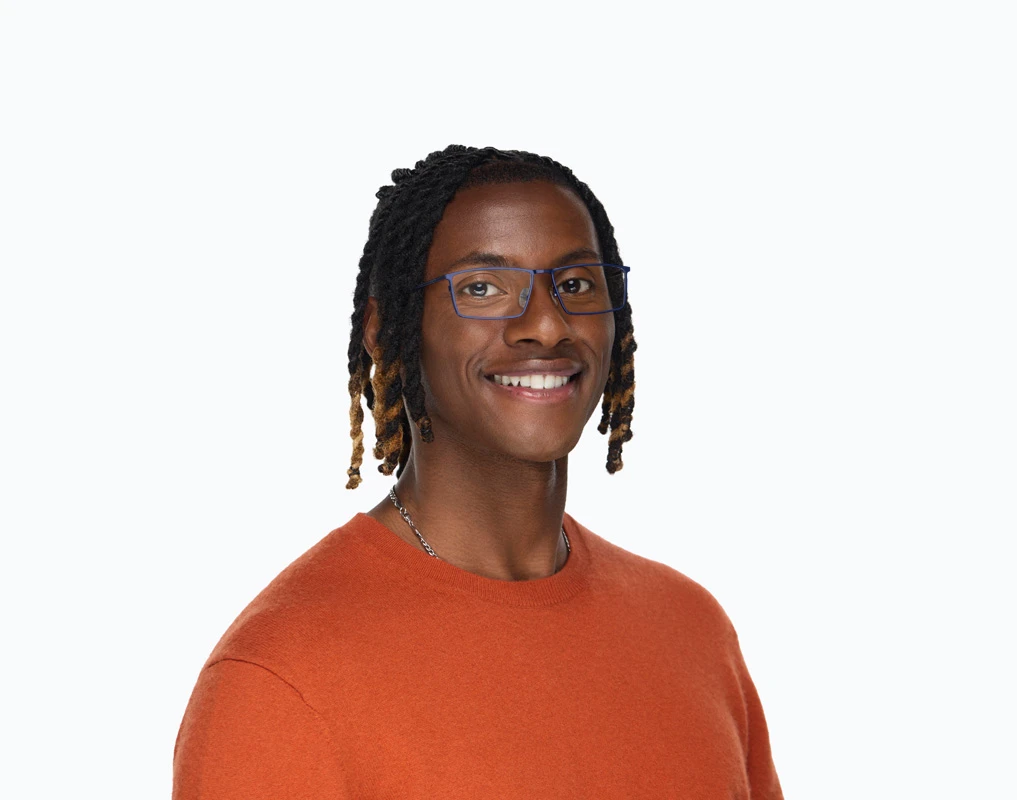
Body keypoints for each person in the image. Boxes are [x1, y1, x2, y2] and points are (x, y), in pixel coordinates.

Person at [172, 145, 784, 798]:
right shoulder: (279, 681)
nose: (545, 324)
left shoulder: (692, 631)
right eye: (482, 288)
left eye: (576, 284)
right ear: (386, 330)